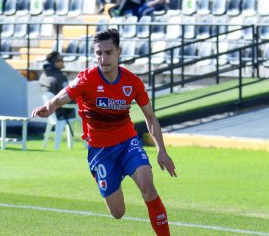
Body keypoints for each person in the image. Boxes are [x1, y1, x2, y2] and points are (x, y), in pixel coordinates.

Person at [32, 29, 176, 235]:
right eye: (98, 53)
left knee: (148, 186)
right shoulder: (86, 79)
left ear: (119, 52)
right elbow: (59, 98)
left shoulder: (132, 82)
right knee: (118, 212)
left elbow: (150, 117)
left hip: (128, 142)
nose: (103, 58)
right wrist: (49, 107)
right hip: (100, 151)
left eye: (108, 52)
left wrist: (162, 150)